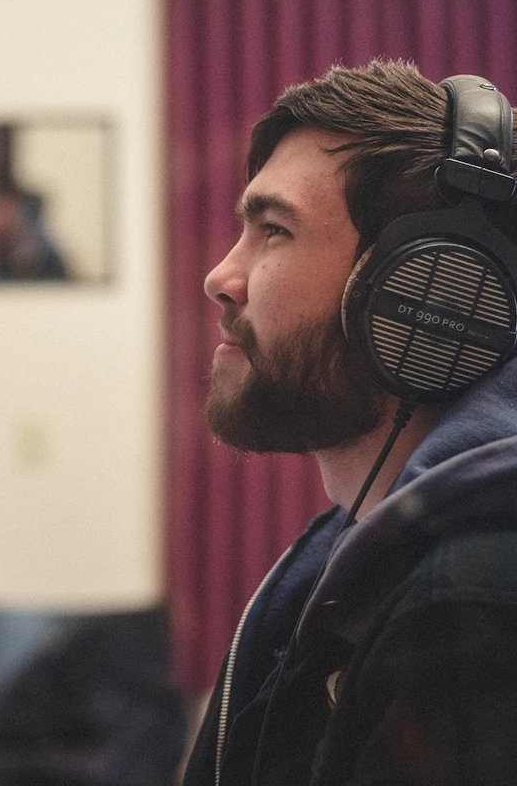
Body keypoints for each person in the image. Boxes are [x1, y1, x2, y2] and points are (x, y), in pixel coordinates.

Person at [182, 60, 517, 785]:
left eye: (273, 230)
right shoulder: (369, 554)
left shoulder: (474, 605)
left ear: (430, 294)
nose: (221, 275)